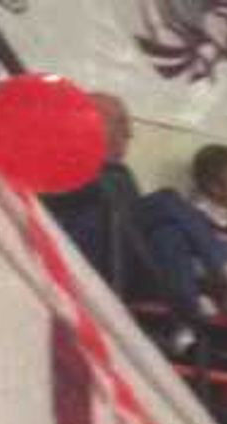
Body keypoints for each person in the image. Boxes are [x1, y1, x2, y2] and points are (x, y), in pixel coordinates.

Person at [132, 143, 227, 363]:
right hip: (203, 316)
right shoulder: (181, 222)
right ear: (214, 186)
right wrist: (221, 291)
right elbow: (182, 270)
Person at [44, 90, 146, 300]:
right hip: (79, 258)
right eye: (119, 122)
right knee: (164, 203)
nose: (128, 133)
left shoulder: (119, 174)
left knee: (169, 221)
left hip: (125, 262)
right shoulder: (57, 160)